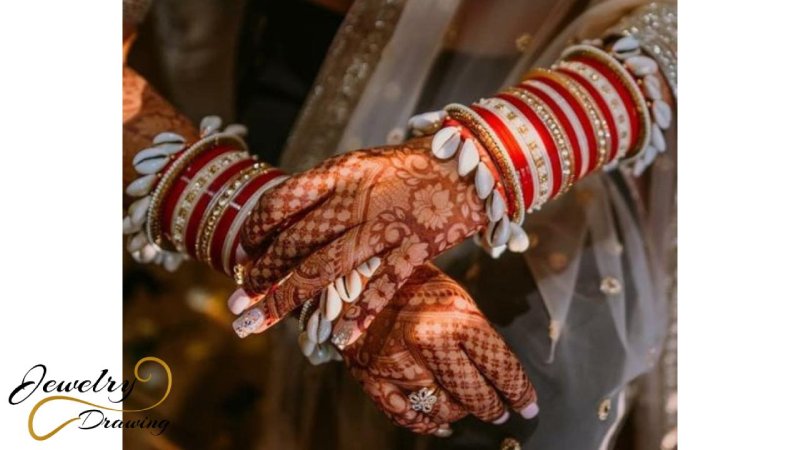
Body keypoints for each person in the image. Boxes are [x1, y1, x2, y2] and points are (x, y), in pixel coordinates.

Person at [123, 1, 677, 448]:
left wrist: (480, 164)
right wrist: (306, 244)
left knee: (539, 405)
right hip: (288, 82)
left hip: (581, 98)